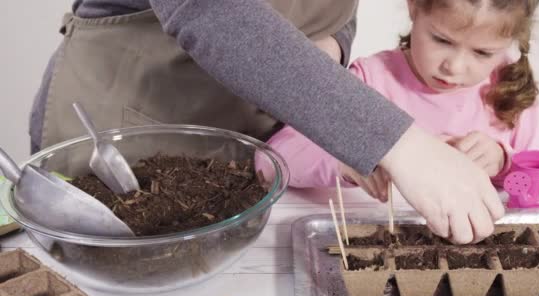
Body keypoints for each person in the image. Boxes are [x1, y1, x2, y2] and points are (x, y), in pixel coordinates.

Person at [29, 0, 503, 244]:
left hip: (244, 163)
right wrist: (401, 144)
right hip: (125, 130)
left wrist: (329, 51)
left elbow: (332, 15)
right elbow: (207, 9)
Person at [265, 0, 539, 243]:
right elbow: (269, 162)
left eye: (482, 53)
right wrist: (346, 160)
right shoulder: (369, 81)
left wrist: (504, 162)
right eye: (442, 40)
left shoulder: (510, 90)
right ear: (414, 7)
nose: (454, 67)